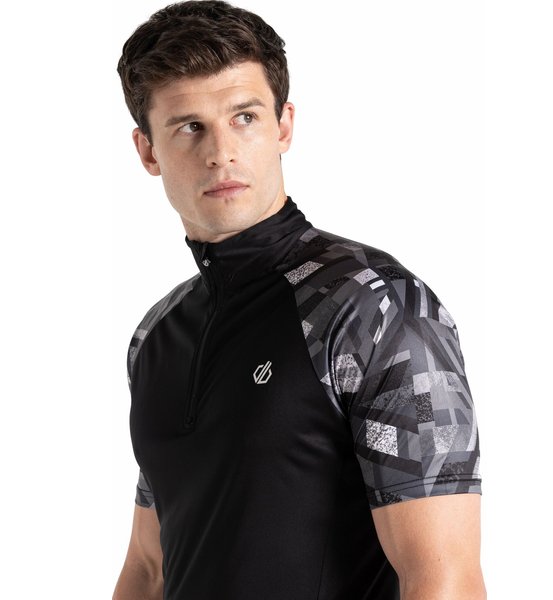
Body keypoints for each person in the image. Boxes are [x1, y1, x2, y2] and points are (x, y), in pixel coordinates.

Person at [112, 2, 485, 599]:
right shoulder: (156, 336)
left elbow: (445, 578)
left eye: (244, 117)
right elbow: (147, 569)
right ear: (148, 151)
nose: (220, 152)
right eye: (189, 127)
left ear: (284, 126)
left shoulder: (372, 305)